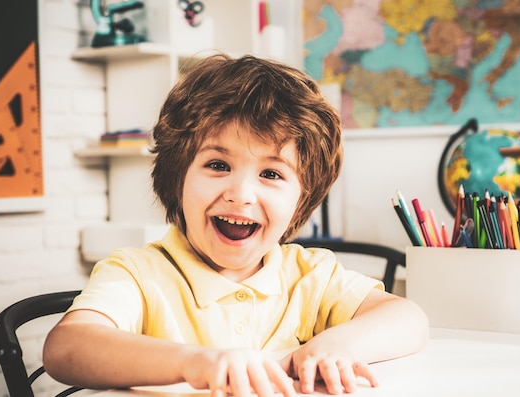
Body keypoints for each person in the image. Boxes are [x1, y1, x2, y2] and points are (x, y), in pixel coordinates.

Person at [43, 53, 429, 397]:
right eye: (218, 165)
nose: (241, 194)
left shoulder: (310, 275)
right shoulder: (139, 274)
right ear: (178, 179)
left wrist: (337, 345)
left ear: (301, 200)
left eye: (271, 173)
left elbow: (409, 318)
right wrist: (198, 364)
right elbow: (67, 349)